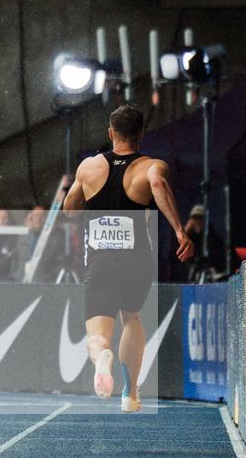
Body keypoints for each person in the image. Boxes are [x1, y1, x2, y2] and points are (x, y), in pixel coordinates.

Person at [61, 103, 192, 412]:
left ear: (111, 133)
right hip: (136, 258)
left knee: (97, 335)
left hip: (100, 260)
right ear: (141, 134)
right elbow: (158, 185)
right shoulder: (151, 166)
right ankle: (130, 395)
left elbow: (69, 211)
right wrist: (179, 230)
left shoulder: (89, 167)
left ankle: (101, 357)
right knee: (131, 317)